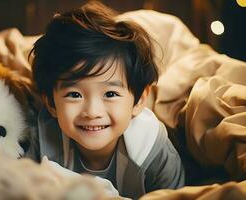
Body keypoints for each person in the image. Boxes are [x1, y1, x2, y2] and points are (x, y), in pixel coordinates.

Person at [26, 1, 185, 199]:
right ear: (50, 103)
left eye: (110, 94)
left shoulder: (153, 148)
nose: (92, 112)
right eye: (74, 95)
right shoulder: (41, 141)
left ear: (138, 100)